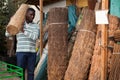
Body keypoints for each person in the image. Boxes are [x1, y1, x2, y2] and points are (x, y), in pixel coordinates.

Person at [5, 8, 39, 80]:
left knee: (31, 72)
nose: (32, 16)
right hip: (21, 52)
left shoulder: (36, 26)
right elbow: (7, 34)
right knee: (20, 71)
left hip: (32, 53)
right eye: (31, 14)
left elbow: (35, 37)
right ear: (26, 14)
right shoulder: (18, 24)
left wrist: (23, 31)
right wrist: (11, 23)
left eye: (34, 15)